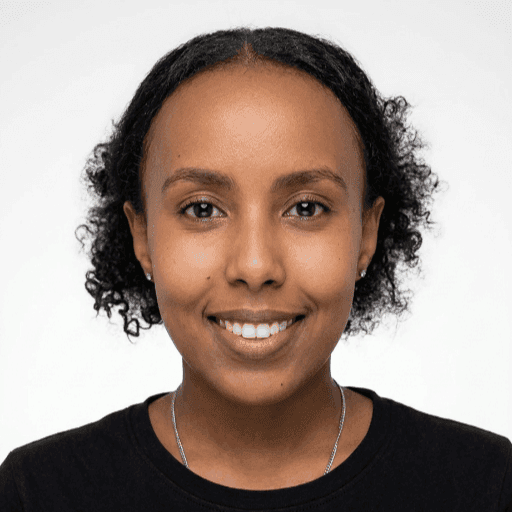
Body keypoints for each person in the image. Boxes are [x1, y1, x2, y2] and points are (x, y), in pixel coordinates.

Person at [1, 26, 510, 511]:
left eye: (306, 208)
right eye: (202, 209)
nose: (255, 265)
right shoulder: (40, 492)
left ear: (366, 234)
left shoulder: (484, 485)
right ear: (142, 236)